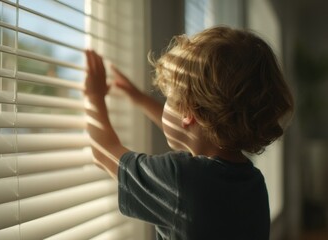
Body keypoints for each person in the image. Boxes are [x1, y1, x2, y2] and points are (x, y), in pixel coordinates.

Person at [84, 26, 294, 240]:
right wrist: (138, 98)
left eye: (168, 98)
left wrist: (94, 95)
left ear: (188, 112)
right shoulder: (253, 183)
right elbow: (190, 130)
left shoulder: (180, 178)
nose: (165, 104)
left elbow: (104, 152)